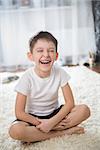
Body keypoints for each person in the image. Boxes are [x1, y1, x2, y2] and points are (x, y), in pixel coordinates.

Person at [9, 31, 90, 143]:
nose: (46, 55)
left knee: (84, 110)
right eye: (40, 51)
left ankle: (39, 134)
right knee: (15, 131)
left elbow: (70, 102)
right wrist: (42, 124)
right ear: (30, 56)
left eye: (51, 51)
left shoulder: (60, 73)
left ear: (56, 56)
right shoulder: (26, 78)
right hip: (33, 118)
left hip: (55, 114)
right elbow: (19, 113)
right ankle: (62, 132)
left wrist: (52, 122)